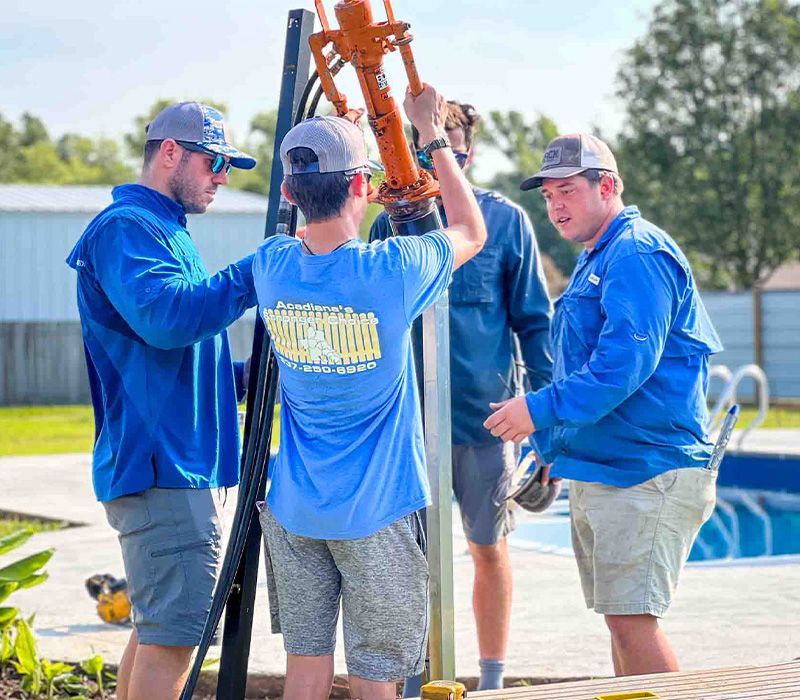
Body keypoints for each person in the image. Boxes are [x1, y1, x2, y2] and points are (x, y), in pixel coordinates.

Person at [252, 84, 486, 700]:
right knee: (378, 675)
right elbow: (468, 228)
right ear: (362, 187)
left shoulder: (271, 266)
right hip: (376, 515)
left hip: (296, 510)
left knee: (305, 668)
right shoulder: (391, 271)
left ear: (287, 192)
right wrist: (430, 134)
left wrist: (343, 133)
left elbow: (308, 229)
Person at [485, 133, 723, 677]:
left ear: (608, 186)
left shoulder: (637, 252)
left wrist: (538, 411)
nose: (555, 206)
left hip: (647, 470)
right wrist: (551, 447)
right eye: (547, 196)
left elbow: (622, 368)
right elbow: (586, 370)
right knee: (620, 621)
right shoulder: (604, 254)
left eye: (567, 190)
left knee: (632, 621)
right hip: (607, 467)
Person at [66, 102, 259, 700]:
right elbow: (167, 321)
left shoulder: (165, 228)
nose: (223, 175)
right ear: (170, 152)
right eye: (214, 161)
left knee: (158, 632)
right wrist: (260, 272)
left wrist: (256, 374)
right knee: (176, 637)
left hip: (168, 464)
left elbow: (179, 360)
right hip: (162, 468)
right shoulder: (128, 228)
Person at [370, 100, 552, 691]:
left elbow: (535, 322)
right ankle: (412, 676)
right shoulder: (386, 225)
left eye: (430, 146)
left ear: (461, 153)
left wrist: (546, 421)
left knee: (487, 549)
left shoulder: (505, 223)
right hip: (407, 427)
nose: (418, 157)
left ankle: (492, 681)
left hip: (486, 420)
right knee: (406, 561)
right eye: (410, 146)